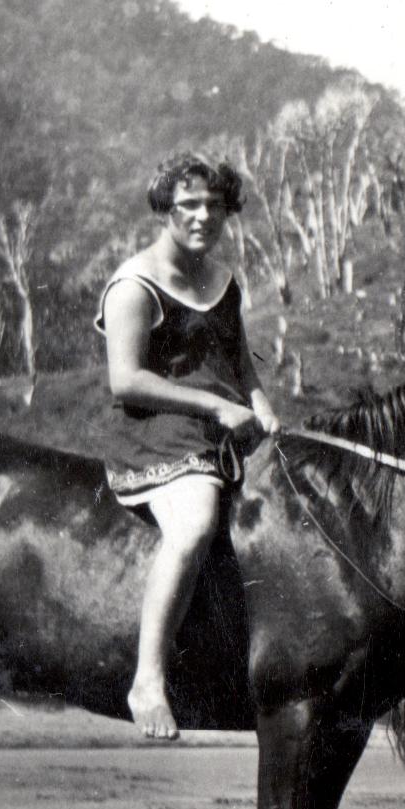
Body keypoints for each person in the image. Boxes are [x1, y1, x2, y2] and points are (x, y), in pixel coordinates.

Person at [97, 153, 281, 742]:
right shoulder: (134, 285)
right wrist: (216, 407)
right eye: (189, 206)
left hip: (225, 426)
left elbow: (238, 359)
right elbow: (125, 380)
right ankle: (148, 679)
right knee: (197, 522)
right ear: (165, 210)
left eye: (214, 207)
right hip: (158, 431)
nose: (203, 217)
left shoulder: (223, 280)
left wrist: (262, 405)